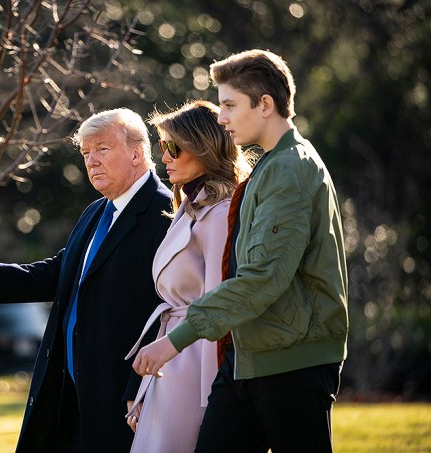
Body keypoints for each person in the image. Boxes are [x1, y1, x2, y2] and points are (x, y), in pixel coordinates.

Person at [132, 49, 349, 453]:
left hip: (291, 362)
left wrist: (175, 340)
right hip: (251, 357)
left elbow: (262, 278)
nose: (222, 117)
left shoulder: (291, 168)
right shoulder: (271, 166)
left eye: (230, 105)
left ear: (265, 105)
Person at [0, 108, 173, 453]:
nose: (91, 160)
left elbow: (168, 311)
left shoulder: (165, 213)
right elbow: (56, 275)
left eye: (102, 149)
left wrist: (137, 389)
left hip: (124, 400)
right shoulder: (96, 212)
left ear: (137, 152)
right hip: (69, 395)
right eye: (86, 152)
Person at [124, 100, 250, 453]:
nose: (163, 157)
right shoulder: (190, 207)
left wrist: (215, 400)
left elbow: (219, 305)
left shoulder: (220, 213)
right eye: (161, 146)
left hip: (195, 366)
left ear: (203, 148)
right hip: (173, 360)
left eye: (171, 147)